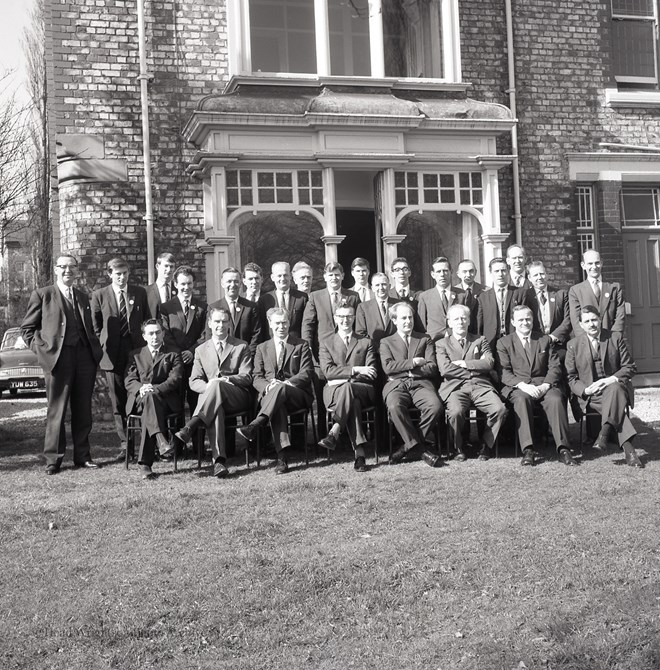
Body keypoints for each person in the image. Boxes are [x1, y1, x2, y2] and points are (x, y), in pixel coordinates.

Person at [20, 254, 103, 475]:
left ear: (77, 271)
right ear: (56, 269)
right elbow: (27, 329)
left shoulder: (83, 297)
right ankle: (53, 459)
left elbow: (92, 328)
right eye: (63, 267)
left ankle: (83, 456)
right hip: (57, 360)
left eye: (72, 267)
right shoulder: (43, 295)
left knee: (83, 409)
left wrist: (95, 352)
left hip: (84, 359)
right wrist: (43, 352)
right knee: (56, 410)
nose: (68, 271)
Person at [174, 307, 254, 478]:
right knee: (216, 406)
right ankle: (219, 461)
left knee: (217, 386)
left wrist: (226, 380)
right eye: (217, 321)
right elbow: (194, 381)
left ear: (229, 324)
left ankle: (191, 426)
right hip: (213, 400)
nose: (221, 325)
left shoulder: (240, 346)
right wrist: (209, 387)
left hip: (237, 396)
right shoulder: (201, 350)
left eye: (224, 321)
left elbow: (247, 376)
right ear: (209, 324)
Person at [237, 307, 314, 475]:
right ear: (270, 324)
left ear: (289, 323)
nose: (281, 326)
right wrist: (267, 387)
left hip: (297, 394)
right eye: (277, 323)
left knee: (280, 389)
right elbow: (257, 376)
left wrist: (285, 383)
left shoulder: (301, 345)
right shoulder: (262, 348)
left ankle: (256, 424)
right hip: (272, 396)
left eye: (284, 322)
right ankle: (282, 457)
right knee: (278, 405)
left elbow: (307, 373)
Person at [496, 305, 574, 467]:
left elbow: (555, 367)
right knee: (521, 400)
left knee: (556, 398)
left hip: (543, 384)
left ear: (533, 320)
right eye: (520, 320)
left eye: (528, 319)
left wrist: (546, 385)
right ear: (513, 322)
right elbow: (504, 372)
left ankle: (563, 448)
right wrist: (523, 386)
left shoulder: (544, 340)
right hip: (518, 387)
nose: (525, 322)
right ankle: (528, 449)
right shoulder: (504, 342)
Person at [565, 305, 642, 468]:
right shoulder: (573, 344)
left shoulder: (615, 338)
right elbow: (570, 378)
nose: (591, 324)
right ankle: (629, 451)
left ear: (600, 320)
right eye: (587, 321)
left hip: (615, 389)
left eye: (594, 320)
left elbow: (630, 367)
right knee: (616, 406)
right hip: (591, 395)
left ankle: (604, 433)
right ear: (581, 324)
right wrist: (585, 390)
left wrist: (610, 380)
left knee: (614, 390)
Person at [91, 258, 150, 459]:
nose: (122, 277)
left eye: (125, 273)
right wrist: (103, 345)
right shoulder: (99, 295)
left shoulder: (140, 293)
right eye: (117, 274)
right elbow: (96, 326)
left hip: (136, 352)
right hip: (112, 353)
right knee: (117, 400)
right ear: (110, 274)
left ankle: (144, 442)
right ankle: (125, 444)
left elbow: (147, 321)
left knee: (139, 395)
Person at [436, 304, 507, 461]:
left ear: (469, 321)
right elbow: (445, 369)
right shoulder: (441, 344)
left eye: (463, 318)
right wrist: (476, 367)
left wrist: (465, 364)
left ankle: (486, 445)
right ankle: (457, 447)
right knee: (455, 412)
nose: (460, 322)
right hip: (455, 388)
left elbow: (489, 363)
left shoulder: (480, 340)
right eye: (456, 319)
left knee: (499, 409)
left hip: (480, 385)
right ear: (449, 322)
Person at [379, 302, 443, 466]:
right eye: (403, 318)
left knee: (435, 407)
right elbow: (388, 367)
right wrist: (414, 362)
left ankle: (406, 447)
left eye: (410, 317)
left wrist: (405, 371)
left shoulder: (424, 339)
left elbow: (432, 367)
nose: (408, 321)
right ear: (394, 320)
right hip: (396, 385)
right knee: (394, 407)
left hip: (421, 384)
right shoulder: (386, 342)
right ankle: (420, 449)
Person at [318, 304, 377, 472]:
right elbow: (328, 372)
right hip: (334, 393)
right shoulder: (326, 342)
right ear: (335, 318)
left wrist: (344, 376)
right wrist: (355, 370)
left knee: (349, 388)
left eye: (349, 316)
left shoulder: (365, 342)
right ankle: (360, 455)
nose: (345, 320)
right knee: (353, 401)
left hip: (363, 389)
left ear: (354, 318)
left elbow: (371, 373)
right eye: (341, 317)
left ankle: (335, 430)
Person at [124, 319, 184, 478]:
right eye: (150, 333)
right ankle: (161, 441)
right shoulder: (135, 355)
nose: (155, 336)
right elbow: (129, 380)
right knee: (149, 402)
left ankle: (145, 464)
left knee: (148, 413)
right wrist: (141, 388)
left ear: (163, 333)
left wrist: (154, 389)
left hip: (165, 400)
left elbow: (175, 379)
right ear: (144, 336)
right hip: (140, 398)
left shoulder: (173, 353)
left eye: (158, 332)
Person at [160, 265, 208, 419]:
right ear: (175, 284)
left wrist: (192, 351)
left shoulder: (202, 307)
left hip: (196, 363)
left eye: (189, 284)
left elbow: (206, 334)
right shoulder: (166, 308)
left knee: (197, 405)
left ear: (193, 284)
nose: (186, 287)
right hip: (175, 363)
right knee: (176, 406)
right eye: (182, 284)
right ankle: (177, 442)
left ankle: (197, 441)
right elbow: (165, 333)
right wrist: (180, 354)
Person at [301, 262, 360, 359]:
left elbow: (359, 323)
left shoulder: (353, 296)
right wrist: (307, 346)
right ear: (325, 277)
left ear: (342, 276)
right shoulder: (315, 297)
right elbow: (308, 324)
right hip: (322, 349)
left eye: (337, 275)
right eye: (330, 275)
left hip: (348, 348)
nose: (334, 278)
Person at [568, 249, 625, 335]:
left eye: (597, 263)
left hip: (611, 340)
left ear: (601, 263)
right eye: (590, 263)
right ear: (583, 265)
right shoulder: (575, 291)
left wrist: (614, 339)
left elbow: (620, 316)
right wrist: (589, 341)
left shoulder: (614, 287)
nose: (594, 267)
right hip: (588, 343)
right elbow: (576, 321)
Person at [209, 267, 262, 358]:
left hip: (246, 358)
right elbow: (209, 335)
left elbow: (256, 334)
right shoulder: (213, 307)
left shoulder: (250, 307)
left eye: (236, 281)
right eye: (229, 281)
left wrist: (248, 355)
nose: (233, 285)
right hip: (221, 358)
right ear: (222, 283)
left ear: (241, 283)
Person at [477, 257, 526, 353]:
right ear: (491, 273)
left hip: (514, 341)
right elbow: (480, 324)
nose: (500, 274)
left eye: (503, 270)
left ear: (508, 272)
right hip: (490, 343)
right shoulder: (483, 297)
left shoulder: (519, 293)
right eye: (496, 271)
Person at [522, 261, 571, 350]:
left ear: (547, 275)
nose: (539, 277)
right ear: (529, 278)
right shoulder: (525, 296)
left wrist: (553, 337)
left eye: (542, 274)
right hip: (535, 346)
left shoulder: (561, 294)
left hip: (558, 346)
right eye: (535, 275)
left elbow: (568, 319)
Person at [417, 256, 466, 342]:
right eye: (438, 271)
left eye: (445, 271)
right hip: (433, 343)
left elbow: (468, 320)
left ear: (451, 272)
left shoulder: (462, 295)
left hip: (458, 342)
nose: (442, 274)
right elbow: (421, 326)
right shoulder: (424, 297)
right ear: (433, 274)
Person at [258, 261, 308, 339]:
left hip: (296, 346)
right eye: (279, 276)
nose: (283, 279)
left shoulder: (302, 298)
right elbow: (262, 327)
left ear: (291, 276)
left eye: (285, 275)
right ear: (272, 277)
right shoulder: (264, 300)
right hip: (273, 346)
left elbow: (306, 325)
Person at [355, 272, 397, 348]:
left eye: (384, 284)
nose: (381, 288)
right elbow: (361, 334)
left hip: (396, 351)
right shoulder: (363, 307)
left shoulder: (398, 305)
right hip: (373, 352)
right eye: (377, 285)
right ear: (372, 288)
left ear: (389, 286)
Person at [455, 258, 485, 332]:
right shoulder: (454, 292)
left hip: (480, 330)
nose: (468, 275)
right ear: (458, 274)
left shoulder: (486, 291)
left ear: (476, 272)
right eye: (464, 272)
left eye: (471, 271)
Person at [146, 252, 176, 318]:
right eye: (166, 266)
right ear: (157, 266)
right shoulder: (146, 292)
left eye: (171, 267)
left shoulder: (179, 290)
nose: (168, 270)